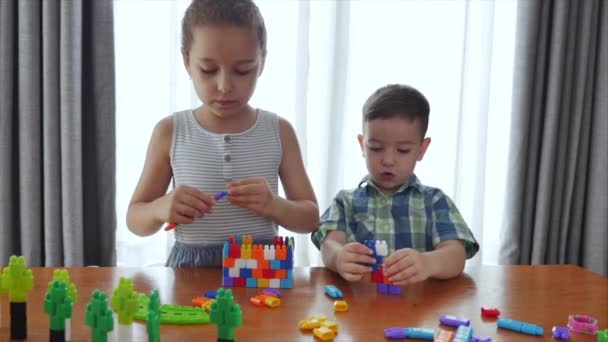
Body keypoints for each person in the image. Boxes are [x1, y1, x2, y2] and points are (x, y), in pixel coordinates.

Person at [127, 0, 318, 267]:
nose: (225, 86)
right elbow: (135, 219)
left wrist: (274, 205)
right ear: (186, 62)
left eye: (242, 70)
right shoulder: (170, 131)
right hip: (190, 273)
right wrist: (161, 208)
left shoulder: (279, 131)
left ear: (262, 62)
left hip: (259, 269)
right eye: (208, 70)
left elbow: (310, 217)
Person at [311, 84, 478, 286]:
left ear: (422, 150)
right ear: (362, 145)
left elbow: (456, 255)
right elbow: (329, 244)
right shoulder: (345, 201)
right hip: (359, 309)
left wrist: (427, 263)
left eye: (403, 150)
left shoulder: (434, 201)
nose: (388, 160)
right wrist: (338, 258)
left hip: (419, 311)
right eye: (376, 148)